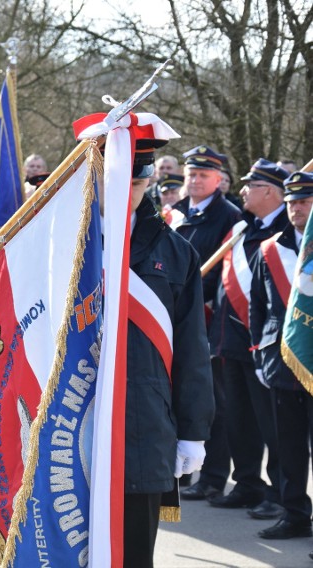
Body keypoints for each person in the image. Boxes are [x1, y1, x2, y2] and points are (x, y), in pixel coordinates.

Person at [114, 140, 214, 567]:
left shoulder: (175, 251)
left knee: (136, 554)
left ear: (148, 180)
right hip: (69, 430)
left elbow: (192, 348)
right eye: (117, 178)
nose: (127, 188)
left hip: (146, 426)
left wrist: (193, 429)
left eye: (136, 180)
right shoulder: (57, 243)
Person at [206, 159, 289, 517]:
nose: (241, 191)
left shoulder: (286, 231)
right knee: (239, 420)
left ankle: (281, 494)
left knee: (272, 426)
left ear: (269, 191)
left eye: (249, 185)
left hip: (264, 346)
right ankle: (247, 483)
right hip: (231, 342)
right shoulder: (243, 230)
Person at [173, 145, 242, 503]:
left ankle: (214, 475)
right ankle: (183, 470)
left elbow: (228, 273)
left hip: (206, 320)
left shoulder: (228, 217)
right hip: (173, 319)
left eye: (203, 175)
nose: (196, 180)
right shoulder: (175, 213)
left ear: (218, 180)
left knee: (210, 400)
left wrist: (200, 299)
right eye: (191, 174)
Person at [249, 171, 313, 543]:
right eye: (290, 202)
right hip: (281, 360)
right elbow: (259, 306)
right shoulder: (270, 248)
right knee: (287, 445)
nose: (295, 209)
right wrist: (259, 352)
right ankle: (294, 514)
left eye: (304, 201)